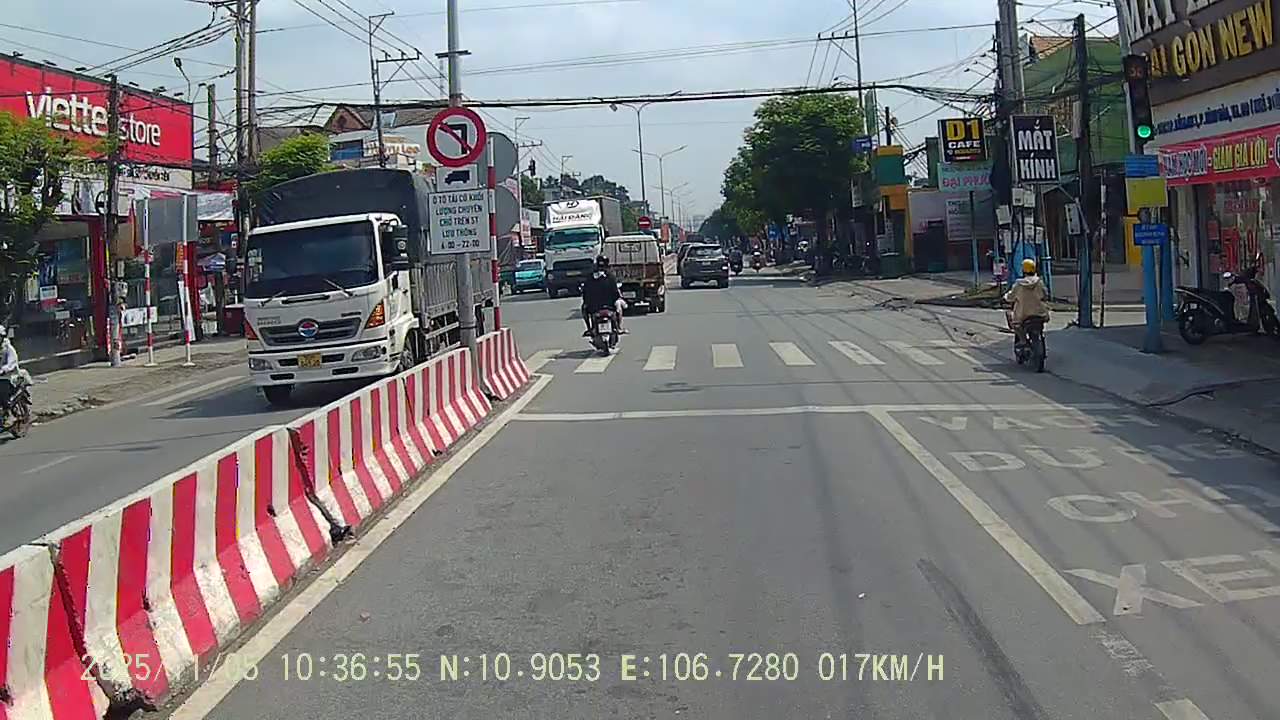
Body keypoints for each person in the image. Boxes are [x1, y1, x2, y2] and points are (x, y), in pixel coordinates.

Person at [1004, 258, 1050, 346]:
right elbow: (1045, 295)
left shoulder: (1019, 284)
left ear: (1023, 270)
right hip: (1040, 313)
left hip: (1023, 315)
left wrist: (1005, 297)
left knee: (1016, 325)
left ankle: (1023, 340)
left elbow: (1010, 297)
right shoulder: (1039, 282)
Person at [581, 256, 623, 336]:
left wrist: (587, 302)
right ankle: (618, 328)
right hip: (606, 305)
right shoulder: (610, 276)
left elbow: (585, 293)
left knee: (584, 308)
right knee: (619, 306)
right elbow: (615, 293)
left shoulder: (592, 277)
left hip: (596, 306)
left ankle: (589, 329)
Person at [0, 326, 19, 410]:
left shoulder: (8, 348)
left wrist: (4, 369)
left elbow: (13, 361)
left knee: (2, 395)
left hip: (7, 376)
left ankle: (6, 408)